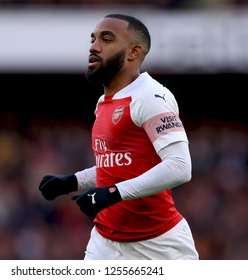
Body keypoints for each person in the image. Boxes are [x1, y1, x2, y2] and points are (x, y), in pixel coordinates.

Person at [38, 13, 199, 260]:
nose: (94, 46)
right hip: (105, 243)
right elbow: (120, 164)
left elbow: (180, 167)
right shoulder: (104, 102)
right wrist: (72, 181)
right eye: (93, 39)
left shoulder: (152, 97)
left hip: (159, 246)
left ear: (134, 52)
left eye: (107, 39)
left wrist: (112, 193)